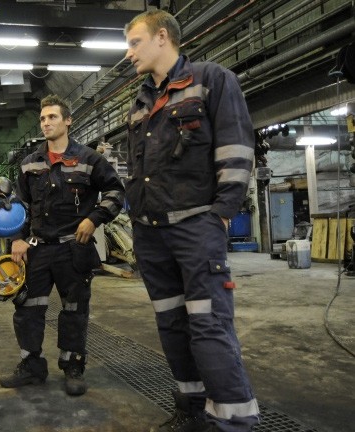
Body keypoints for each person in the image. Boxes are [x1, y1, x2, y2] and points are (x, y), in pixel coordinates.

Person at [123, 9, 259, 432]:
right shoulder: (142, 101)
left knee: (208, 324)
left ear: (162, 37)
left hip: (195, 226)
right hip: (150, 231)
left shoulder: (212, 79)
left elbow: (236, 151)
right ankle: (190, 408)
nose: (129, 55)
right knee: (172, 325)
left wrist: (220, 216)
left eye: (134, 43)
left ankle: (233, 424)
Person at [0, 94, 125, 396]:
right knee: (27, 308)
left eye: (52, 117)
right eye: (42, 119)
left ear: (68, 121)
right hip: (37, 249)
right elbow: (17, 205)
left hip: (74, 249)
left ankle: (73, 366)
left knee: (74, 309)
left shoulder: (89, 159)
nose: (46, 123)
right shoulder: (30, 164)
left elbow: (115, 192)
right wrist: (16, 238)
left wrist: (94, 219)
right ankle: (31, 366)